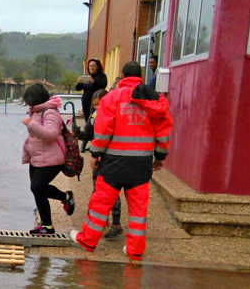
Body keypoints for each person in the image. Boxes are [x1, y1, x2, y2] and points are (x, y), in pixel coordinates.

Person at [70, 62, 173, 261]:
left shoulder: (112, 98)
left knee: (100, 204)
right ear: (141, 75)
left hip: (112, 163)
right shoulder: (156, 100)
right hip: (141, 165)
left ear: (122, 75)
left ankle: (88, 241)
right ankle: (135, 249)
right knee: (138, 209)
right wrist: (159, 158)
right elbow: (163, 132)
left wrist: (95, 154)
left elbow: (103, 130)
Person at [22, 83, 75, 236]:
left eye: (28, 99)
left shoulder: (50, 112)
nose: (26, 103)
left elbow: (51, 135)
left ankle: (65, 196)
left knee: (37, 187)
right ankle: (47, 226)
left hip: (52, 159)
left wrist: (30, 124)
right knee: (38, 191)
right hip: (37, 157)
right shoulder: (35, 111)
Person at [75, 89, 123, 238]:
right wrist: (78, 134)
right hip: (98, 158)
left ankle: (116, 222)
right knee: (97, 190)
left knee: (112, 190)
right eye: (95, 105)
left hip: (111, 158)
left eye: (99, 104)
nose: (97, 107)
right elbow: (89, 135)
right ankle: (101, 221)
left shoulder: (115, 116)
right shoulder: (93, 116)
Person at [75, 59, 108, 153]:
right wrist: (80, 83)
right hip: (86, 102)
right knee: (88, 122)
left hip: (97, 103)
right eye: (90, 66)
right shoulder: (86, 76)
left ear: (98, 67)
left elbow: (102, 87)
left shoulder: (102, 76)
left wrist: (93, 81)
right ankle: (87, 143)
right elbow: (77, 88)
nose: (91, 68)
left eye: (93, 66)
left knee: (93, 122)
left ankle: (88, 144)